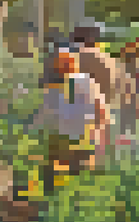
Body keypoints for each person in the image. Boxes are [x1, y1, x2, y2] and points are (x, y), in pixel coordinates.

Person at [33, 49, 107, 186]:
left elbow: (99, 106)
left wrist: (99, 125)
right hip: (67, 135)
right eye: (61, 63)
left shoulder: (83, 82)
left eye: (66, 62)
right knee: (66, 168)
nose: (63, 66)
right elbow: (45, 111)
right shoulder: (54, 87)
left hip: (76, 134)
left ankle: (58, 190)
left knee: (72, 168)